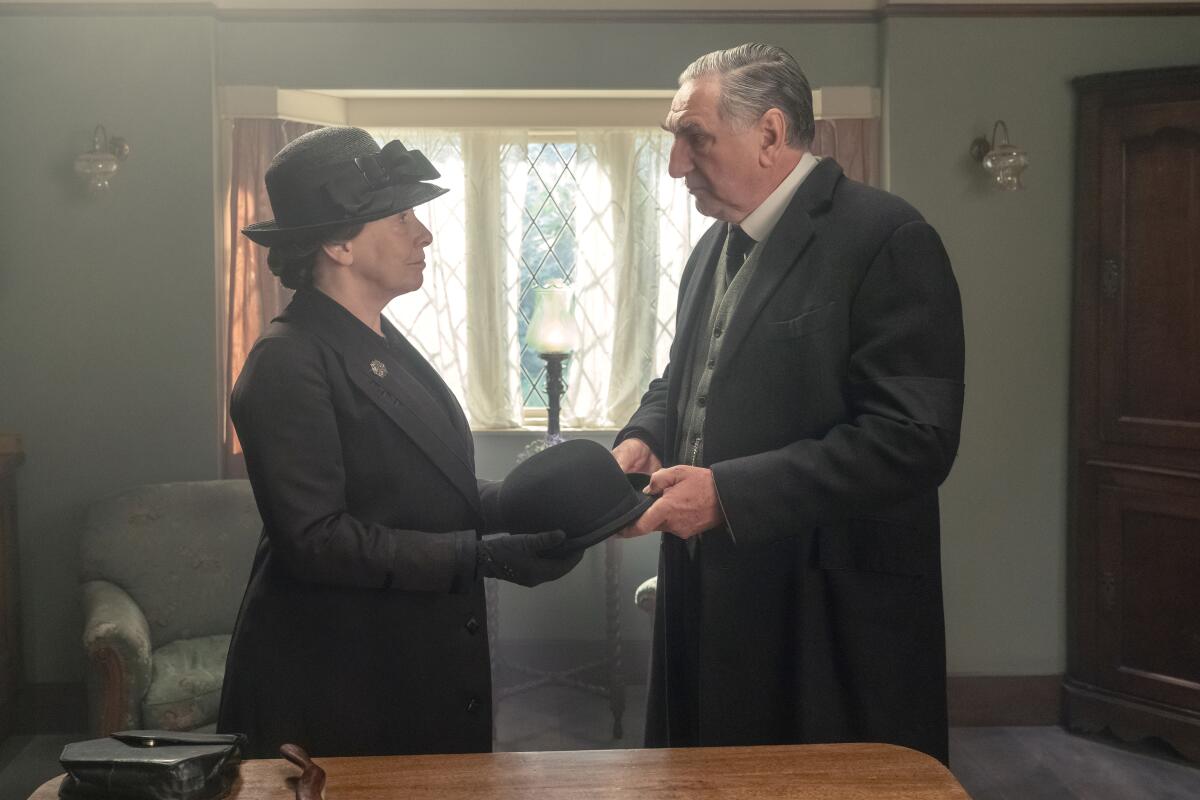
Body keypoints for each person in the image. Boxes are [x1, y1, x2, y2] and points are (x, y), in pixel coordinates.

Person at [613, 44, 964, 763]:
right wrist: (647, 433)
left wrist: (728, 496)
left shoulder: (887, 237)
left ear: (771, 134)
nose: (676, 164)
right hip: (710, 595)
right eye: (674, 139)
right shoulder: (712, 247)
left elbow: (913, 438)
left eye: (695, 138)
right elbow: (684, 373)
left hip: (823, 609)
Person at [217, 126, 581, 759]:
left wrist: (547, 503)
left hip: (400, 660)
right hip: (336, 681)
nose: (424, 234)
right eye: (402, 216)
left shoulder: (376, 337)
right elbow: (316, 543)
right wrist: (481, 556)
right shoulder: (287, 360)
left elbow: (431, 487)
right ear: (338, 244)